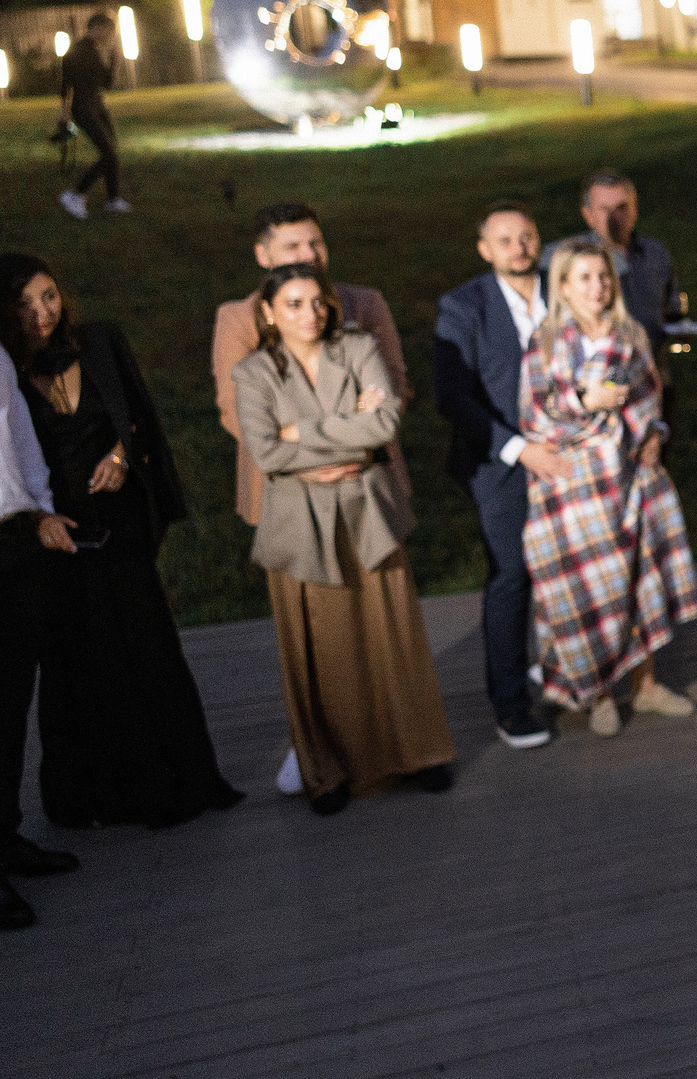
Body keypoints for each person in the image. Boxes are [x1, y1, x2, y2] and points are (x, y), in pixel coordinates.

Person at [3, 256, 240, 830]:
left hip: (122, 525)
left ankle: (185, 780)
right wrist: (37, 519)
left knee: (151, 650)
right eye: (26, 305)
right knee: (81, 665)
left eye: (50, 296)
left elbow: (139, 419)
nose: (43, 314)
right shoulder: (6, 367)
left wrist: (119, 457)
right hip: (59, 534)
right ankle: (101, 796)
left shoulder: (100, 341)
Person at [232, 264, 456, 814]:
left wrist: (302, 436)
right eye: (293, 304)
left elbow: (382, 427)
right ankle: (327, 772)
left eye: (318, 302)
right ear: (268, 313)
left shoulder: (358, 349)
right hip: (298, 524)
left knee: (394, 636)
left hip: (367, 513)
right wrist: (344, 439)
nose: (310, 314)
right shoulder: (254, 374)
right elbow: (264, 453)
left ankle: (420, 754)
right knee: (318, 650)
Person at [520, 238, 697, 734]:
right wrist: (586, 401)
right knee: (588, 589)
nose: (597, 287)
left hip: (630, 477)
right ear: (562, 286)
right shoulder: (547, 341)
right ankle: (597, 692)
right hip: (574, 481)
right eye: (584, 278)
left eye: (603, 277)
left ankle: (645, 686)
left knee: (640, 580)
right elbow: (536, 413)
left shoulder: (630, 333)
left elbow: (649, 393)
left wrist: (653, 435)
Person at [433, 202, 565, 748]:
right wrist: (517, 449)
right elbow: (453, 398)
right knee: (512, 577)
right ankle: (510, 703)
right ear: (485, 250)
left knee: (571, 566)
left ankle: (571, 672)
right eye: (505, 240)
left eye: (527, 236)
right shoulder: (463, 307)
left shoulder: (563, 290)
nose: (519, 247)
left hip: (568, 453)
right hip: (501, 462)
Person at [213, 202, 410, 543]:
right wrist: (309, 464)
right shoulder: (239, 319)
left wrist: (347, 455)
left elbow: (393, 391)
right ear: (263, 255)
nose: (310, 254)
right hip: (287, 488)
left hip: (365, 477)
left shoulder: (365, 305)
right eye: (293, 247)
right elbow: (236, 412)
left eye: (316, 243)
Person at [0, 338, 79, 930]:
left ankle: (6, 837)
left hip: (13, 537)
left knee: (10, 703)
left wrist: (44, 509)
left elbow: (20, 436)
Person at [547, 171, 685, 367]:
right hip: (593, 372)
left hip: (650, 369)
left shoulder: (655, 254)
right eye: (605, 209)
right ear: (588, 215)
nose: (615, 217)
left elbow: (672, 311)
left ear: (635, 209)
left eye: (621, 207)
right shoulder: (568, 258)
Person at [55, 13, 127, 220]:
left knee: (112, 151)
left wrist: (114, 58)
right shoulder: (77, 51)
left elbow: (107, 84)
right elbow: (65, 84)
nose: (111, 35)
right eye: (109, 30)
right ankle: (75, 195)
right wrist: (64, 113)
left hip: (98, 105)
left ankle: (113, 199)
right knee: (108, 154)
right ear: (96, 27)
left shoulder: (97, 51)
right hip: (83, 107)